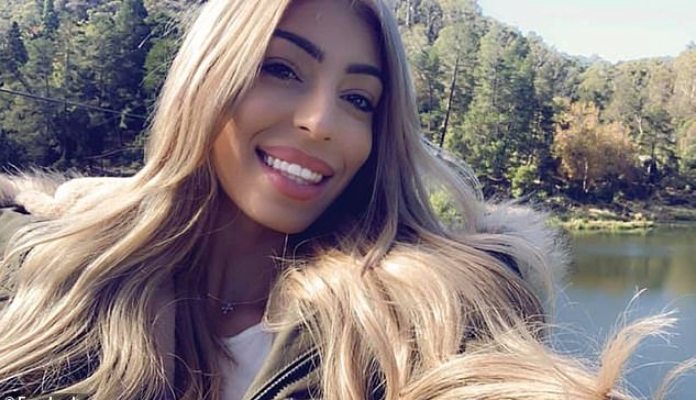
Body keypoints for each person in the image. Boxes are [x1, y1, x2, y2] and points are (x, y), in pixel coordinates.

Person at [0, 0, 683, 399]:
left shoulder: (429, 312)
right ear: (205, 80)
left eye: (359, 99)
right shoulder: (48, 271)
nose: (322, 122)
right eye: (280, 68)